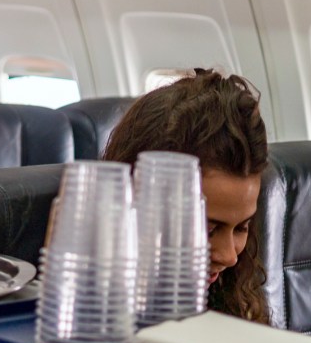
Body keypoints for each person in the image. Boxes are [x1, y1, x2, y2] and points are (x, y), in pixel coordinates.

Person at [101, 69, 270, 323]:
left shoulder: (235, 304)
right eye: (208, 229)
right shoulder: (89, 312)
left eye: (241, 228)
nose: (229, 256)